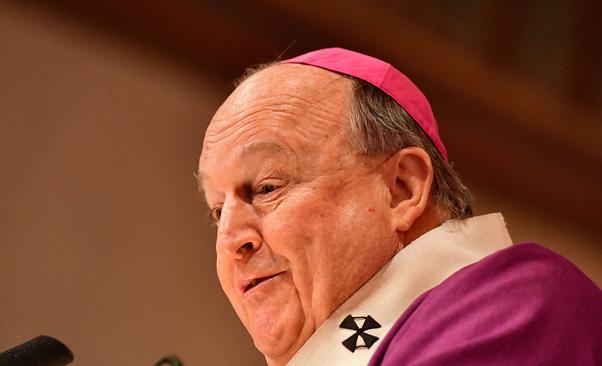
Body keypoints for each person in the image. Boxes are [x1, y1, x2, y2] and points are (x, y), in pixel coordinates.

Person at [196, 48, 601, 365]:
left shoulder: (511, 309)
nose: (231, 240)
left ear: (402, 189)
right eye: (217, 212)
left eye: (267, 187)